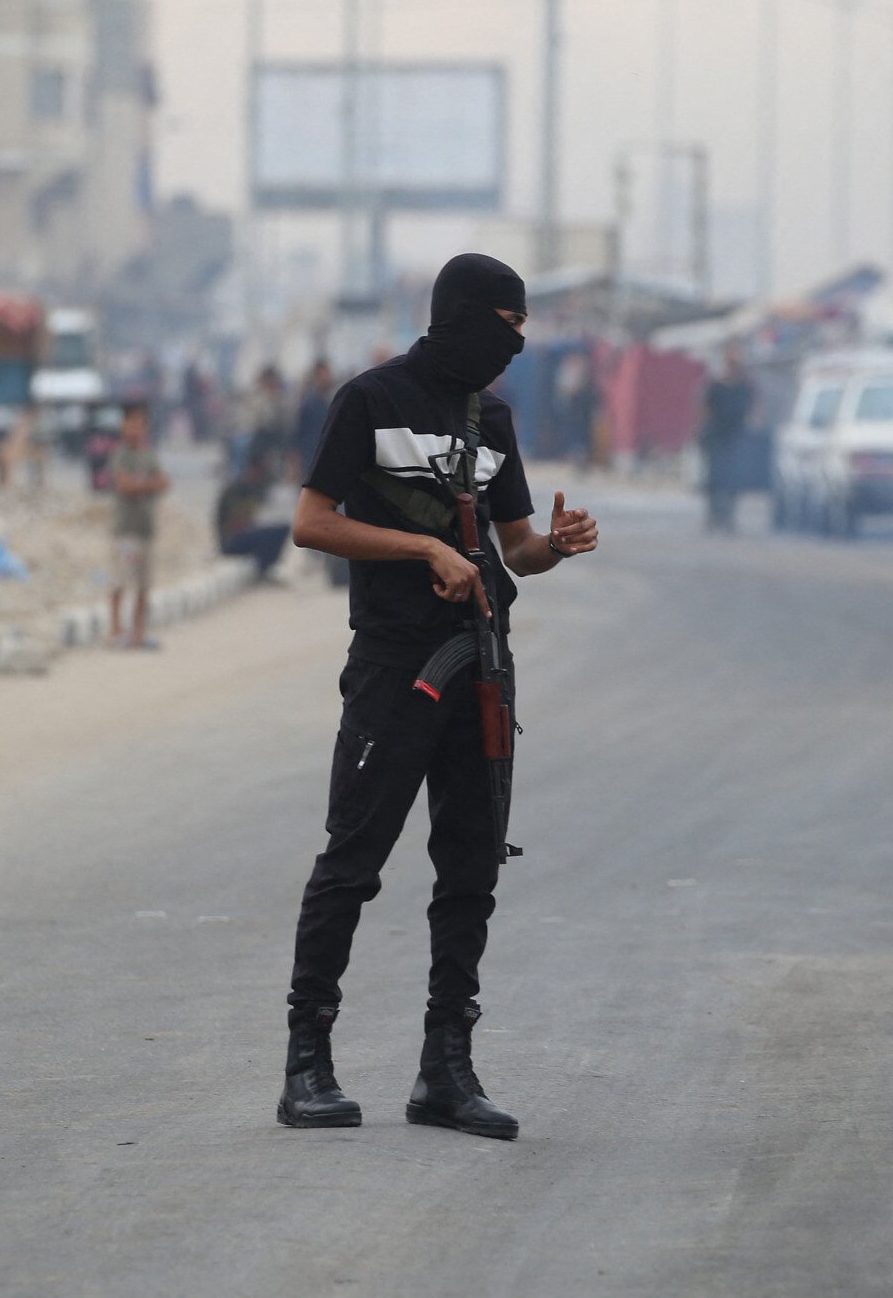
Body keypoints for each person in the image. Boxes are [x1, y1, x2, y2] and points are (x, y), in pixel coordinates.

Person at [277, 253, 599, 1140]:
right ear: (461, 316)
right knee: (353, 861)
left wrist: (556, 545)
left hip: (480, 670)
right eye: (508, 326)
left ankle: (445, 1070)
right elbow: (311, 521)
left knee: (470, 869)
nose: (516, 346)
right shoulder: (371, 399)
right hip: (395, 667)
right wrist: (422, 549)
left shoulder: (492, 418)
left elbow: (516, 544)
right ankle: (307, 1063)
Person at [107, 402, 167, 649]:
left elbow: (163, 482)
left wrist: (140, 485)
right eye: (130, 423)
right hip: (126, 530)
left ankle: (138, 632)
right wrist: (147, 485)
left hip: (146, 529)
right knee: (120, 580)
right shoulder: (121, 455)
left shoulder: (149, 455)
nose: (134, 429)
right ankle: (115, 629)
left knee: (143, 585)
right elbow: (125, 486)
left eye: (139, 424)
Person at [699, 344, 754, 534]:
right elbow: (704, 410)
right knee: (714, 480)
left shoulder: (744, 387)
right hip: (716, 437)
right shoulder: (715, 386)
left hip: (735, 438)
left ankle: (728, 516)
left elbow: (752, 411)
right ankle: (714, 516)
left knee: (733, 481)